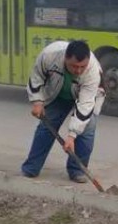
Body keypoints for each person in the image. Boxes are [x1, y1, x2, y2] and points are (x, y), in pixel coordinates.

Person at [21, 40, 104, 183]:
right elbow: (36, 77)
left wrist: (71, 136)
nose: (78, 71)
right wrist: (37, 102)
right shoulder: (49, 55)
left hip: (87, 97)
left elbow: (85, 105)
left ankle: (77, 170)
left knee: (86, 129)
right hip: (58, 94)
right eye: (74, 66)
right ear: (65, 58)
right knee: (47, 125)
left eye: (82, 67)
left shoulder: (93, 71)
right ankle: (31, 167)